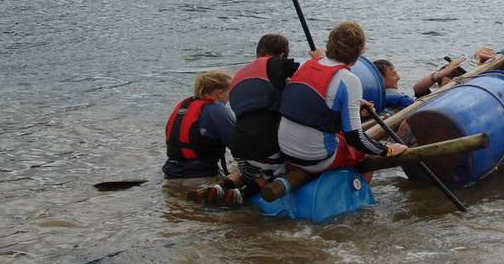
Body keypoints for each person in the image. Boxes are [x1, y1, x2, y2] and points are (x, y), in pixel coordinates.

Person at [278, 21, 407, 176]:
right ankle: (357, 196)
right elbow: (355, 138)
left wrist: (356, 102)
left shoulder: (307, 65)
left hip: (285, 149)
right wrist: (387, 150)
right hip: (315, 158)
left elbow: (316, 102)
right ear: (358, 51)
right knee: (366, 154)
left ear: (330, 44)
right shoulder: (349, 80)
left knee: (338, 136)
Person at [210, 33, 322, 206]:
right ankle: (241, 194)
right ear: (283, 55)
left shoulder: (239, 75)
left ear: (257, 53)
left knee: (245, 172)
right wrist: (319, 60)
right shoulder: (277, 64)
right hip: (264, 142)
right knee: (273, 173)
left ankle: (221, 186)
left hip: (238, 142)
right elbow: (310, 75)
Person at [163, 70, 241, 188]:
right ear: (219, 93)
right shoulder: (216, 109)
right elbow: (238, 145)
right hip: (201, 177)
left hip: (171, 176)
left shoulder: (183, 105)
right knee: (244, 176)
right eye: (230, 91)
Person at [411, 47, 497, 98]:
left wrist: (480, 65)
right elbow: (418, 89)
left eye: (449, 86)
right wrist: (438, 75)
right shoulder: (434, 98)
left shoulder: (468, 94)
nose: (445, 90)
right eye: (443, 86)